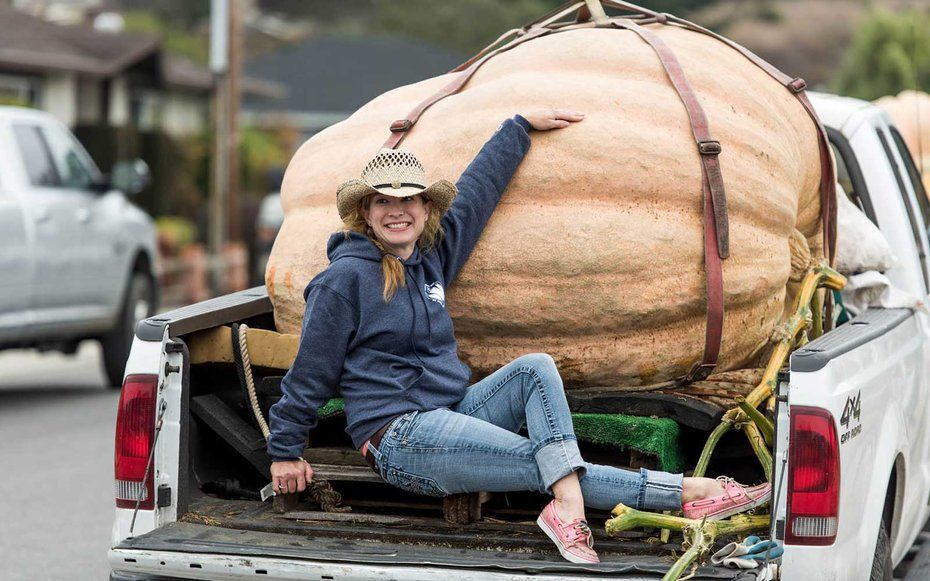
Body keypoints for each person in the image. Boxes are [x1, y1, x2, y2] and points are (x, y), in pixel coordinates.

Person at [267, 110, 771, 565]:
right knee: (545, 462)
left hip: (452, 409)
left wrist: (518, 128)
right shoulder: (344, 280)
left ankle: (572, 503)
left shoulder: (429, 260)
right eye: (383, 201)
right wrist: (285, 449)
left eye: (409, 200)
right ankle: (688, 491)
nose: (397, 211)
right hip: (399, 437)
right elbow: (311, 371)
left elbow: (478, 194)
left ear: (425, 207)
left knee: (535, 368)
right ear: (365, 212)